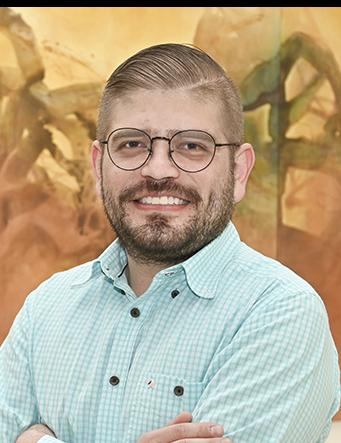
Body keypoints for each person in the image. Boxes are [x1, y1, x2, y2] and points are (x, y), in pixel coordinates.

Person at [0, 43, 340, 443]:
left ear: (239, 171)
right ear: (98, 165)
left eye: (192, 146)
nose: (158, 169)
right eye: (131, 144)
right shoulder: (46, 308)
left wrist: (35, 441)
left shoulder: (281, 311)